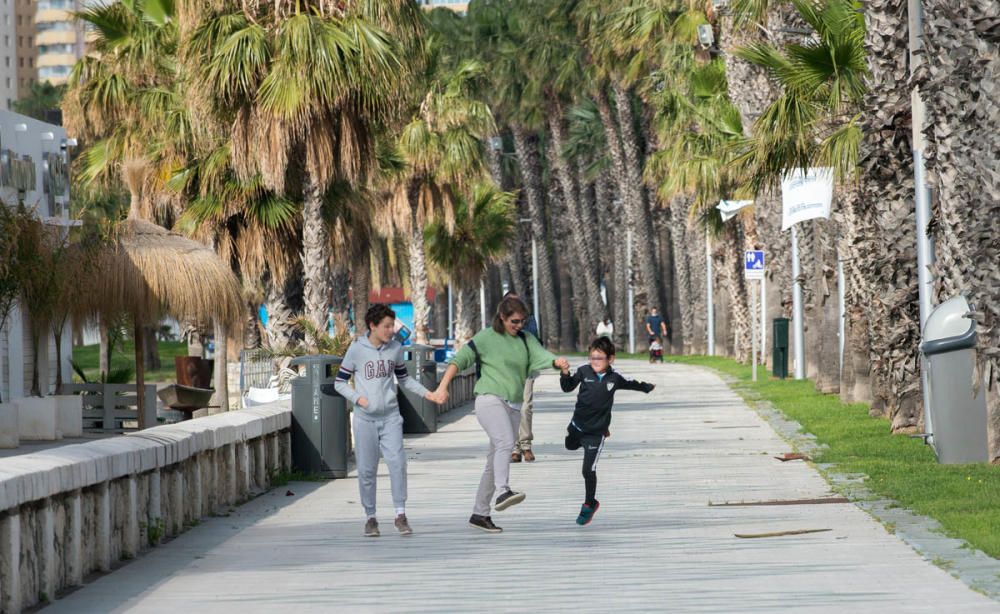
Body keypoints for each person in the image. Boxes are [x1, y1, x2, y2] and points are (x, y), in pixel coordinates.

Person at [434, 295, 569, 533]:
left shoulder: (526, 339)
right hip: (489, 398)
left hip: (513, 405)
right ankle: (503, 491)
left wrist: (556, 363)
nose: (519, 326)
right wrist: (442, 387)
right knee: (506, 442)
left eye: (522, 321)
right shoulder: (486, 337)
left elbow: (541, 356)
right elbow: (459, 360)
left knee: (494, 460)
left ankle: (479, 513)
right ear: (502, 318)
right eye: (514, 321)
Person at [332, 303, 445, 537]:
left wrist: (429, 394)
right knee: (366, 469)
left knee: (397, 463)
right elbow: (339, 382)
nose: (391, 330)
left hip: (391, 417)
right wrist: (358, 399)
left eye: (392, 325)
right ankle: (370, 518)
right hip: (364, 419)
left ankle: (400, 515)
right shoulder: (356, 350)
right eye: (386, 326)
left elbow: (404, 380)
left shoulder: (395, 349)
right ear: (373, 326)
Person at [560, 337, 655, 525]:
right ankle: (575, 439)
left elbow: (631, 383)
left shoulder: (614, 377)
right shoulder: (583, 371)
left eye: (599, 358)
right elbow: (567, 387)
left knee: (588, 469)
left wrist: (647, 387)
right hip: (577, 426)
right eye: (592, 357)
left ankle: (589, 503)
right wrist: (564, 372)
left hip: (596, 432)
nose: (594, 362)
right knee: (569, 446)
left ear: (610, 359)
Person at [505, 291, 539, 463]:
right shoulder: (499, 323)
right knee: (510, 409)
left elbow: (534, 341)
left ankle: (526, 445)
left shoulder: (528, 320)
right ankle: (514, 448)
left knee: (525, 407)